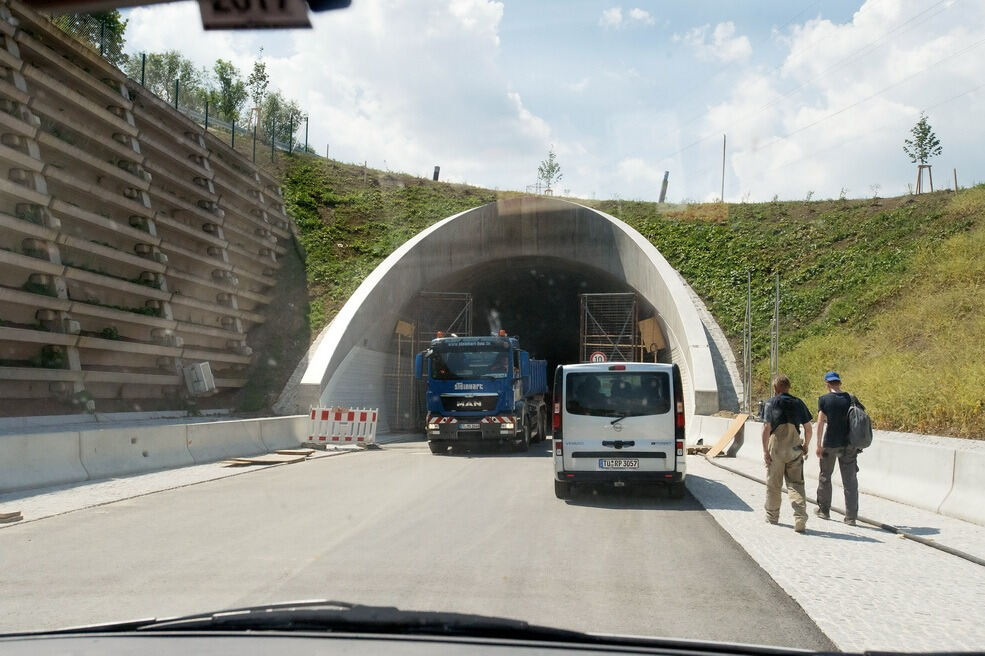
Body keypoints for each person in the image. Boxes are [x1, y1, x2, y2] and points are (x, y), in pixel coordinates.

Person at [761, 374, 813, 533]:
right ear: (788, 387)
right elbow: (808, 428)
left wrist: (765, 451)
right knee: (796, 484)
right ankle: (800, 518)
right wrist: (805, 445)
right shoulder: (798, 403)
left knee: (774, 483)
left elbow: (766, 429)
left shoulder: (770, 403)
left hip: (776, 446)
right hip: (794, 445)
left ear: (775, 388)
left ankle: (772, 516)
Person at [815, 371, 863, 526]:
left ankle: (824, 511)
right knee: (849, 480)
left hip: (830, 443)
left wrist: (818, 445)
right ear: (839, 383)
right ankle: (851, 517)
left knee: (825, 476)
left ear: (827, 384)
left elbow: (821, 423)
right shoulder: (850, 398)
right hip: (848, 444)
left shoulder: (824, 400)